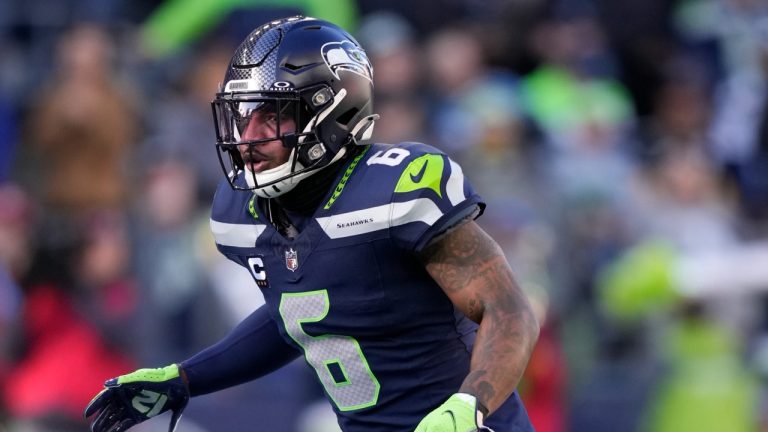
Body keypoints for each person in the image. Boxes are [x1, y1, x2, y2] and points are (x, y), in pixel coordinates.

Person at [84, 16, 539, 432]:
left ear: (333, 115)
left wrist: (469, 406)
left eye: (272, 116)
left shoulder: (396, 189)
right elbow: (301, 314)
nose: (247, 138)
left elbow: (509, 310)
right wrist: (188, 378)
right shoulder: (241, 213)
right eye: (243, 115)